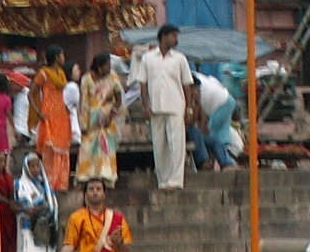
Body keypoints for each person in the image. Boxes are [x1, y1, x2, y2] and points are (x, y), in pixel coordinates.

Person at [129, 23, 196, 189]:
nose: (176, 39)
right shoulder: (148, 58)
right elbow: (142, 83)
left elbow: (187, 84)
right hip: (156, 107)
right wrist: (145, 105)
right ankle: (163, 181)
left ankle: (175, 181)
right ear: (163, 37)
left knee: (176, 144)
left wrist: (189, 108)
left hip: (176, 106)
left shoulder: (180, 59)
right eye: (173, 36)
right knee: (159, 146)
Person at [13, 152, 59, 252]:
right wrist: (39, 207)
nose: (35, 169)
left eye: (37, 165)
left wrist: (46, 210)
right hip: (29, 226)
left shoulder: (44, 186)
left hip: (45, 227)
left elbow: (52, 204)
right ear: (26, 168)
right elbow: (24, 205)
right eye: (31, 166)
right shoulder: (20, 184)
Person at [76, 52, 123, 186]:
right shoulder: (87, 79)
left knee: (106, 148)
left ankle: (107, 177)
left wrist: (111, 115)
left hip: (107, 120)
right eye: (106, 65)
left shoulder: (113, 78)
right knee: (88, 147)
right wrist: (83, 124)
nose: (109, 67)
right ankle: (87, 177)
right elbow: (84, 103)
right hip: (91, 120)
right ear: (99, 66)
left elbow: (118, 100)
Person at [31, 44, 72, 192]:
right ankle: (51, 182)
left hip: (61, 114)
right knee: (51, 149)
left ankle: (62, 183)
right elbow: (31, 93)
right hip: (48, 114)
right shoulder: (43, 74)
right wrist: (38, 112)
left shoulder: (61, 73)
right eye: (62, 55)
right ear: (56, 57)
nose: (63, 58)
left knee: (63, 149)